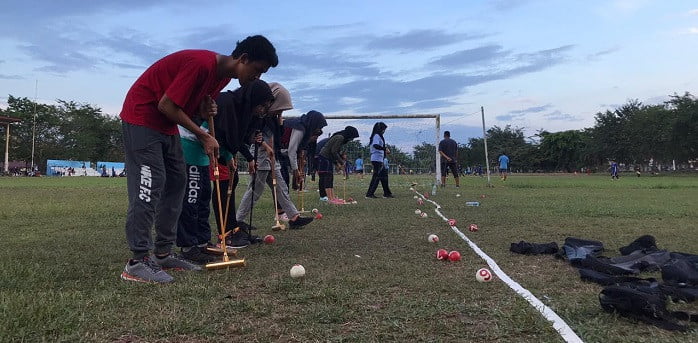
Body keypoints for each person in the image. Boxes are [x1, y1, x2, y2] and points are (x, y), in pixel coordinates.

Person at [119, 35, 278, 284]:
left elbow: (187, 107)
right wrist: (203, 134)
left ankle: (162, 253)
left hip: (166, 125)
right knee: (149, 186)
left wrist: (202, 111)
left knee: (177, 183)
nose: (257, 77)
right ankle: (137, 261)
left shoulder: (223, 76)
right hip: (142, 117)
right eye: (257, 70)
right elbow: (166, 104)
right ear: (243, 59)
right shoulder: (201, 64)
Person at [235, 82, 314, 230]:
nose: (281, 112)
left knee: (281, 187)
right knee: (255, 190)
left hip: (272, 157)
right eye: (280, 108)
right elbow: (254, 136)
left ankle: (294, 217)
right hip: (261, 156)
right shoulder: (258, 115)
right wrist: (265, 146)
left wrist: (279, 119)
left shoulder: (272, 118)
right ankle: (238, 220)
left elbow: (275, 135)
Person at [280, 110, 327, 191]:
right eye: (319, 126)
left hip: (281, 154)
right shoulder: (299, 128)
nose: (319, 129)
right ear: (314, 123)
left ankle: (282, 203)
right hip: (274, 152)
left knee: (284, 184)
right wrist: (296, 170)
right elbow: (292, 151)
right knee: (282, 183)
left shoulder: (304, 129)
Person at [318, 126, 359, 204]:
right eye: (352, 138)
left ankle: (332, 197)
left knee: (330, 177)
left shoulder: (340, 138)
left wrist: (337, 163)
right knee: (328, 177)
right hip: (324, 158)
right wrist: (341, 162)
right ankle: (330, 199)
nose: (352, 140)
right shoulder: (340, 138)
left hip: (328, 158)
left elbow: (334, 152)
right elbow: (334, 151)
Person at [365, 122, 393, 198]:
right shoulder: (377, 136)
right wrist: (384, 148)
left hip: (380, 159)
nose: (384, 131)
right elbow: (375, 145)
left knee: (384, 176)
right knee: (376, 177)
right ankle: (369, 194)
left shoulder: (379, 136)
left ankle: (387, 193)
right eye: (383, 129)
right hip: (376, 159)